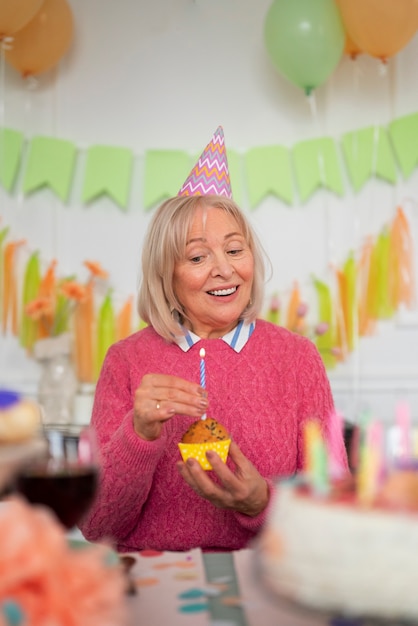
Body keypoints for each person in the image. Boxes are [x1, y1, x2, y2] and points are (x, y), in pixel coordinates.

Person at [79, 127, 348, 553]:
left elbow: (336, 509)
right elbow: (96, 525)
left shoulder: (297, 358)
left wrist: (263, 502)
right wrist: (139, 432)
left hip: (265, 582)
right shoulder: (126, 361)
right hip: (151, 590)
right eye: (198, 256)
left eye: (235, 250)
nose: (224, 270)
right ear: (167, 273)